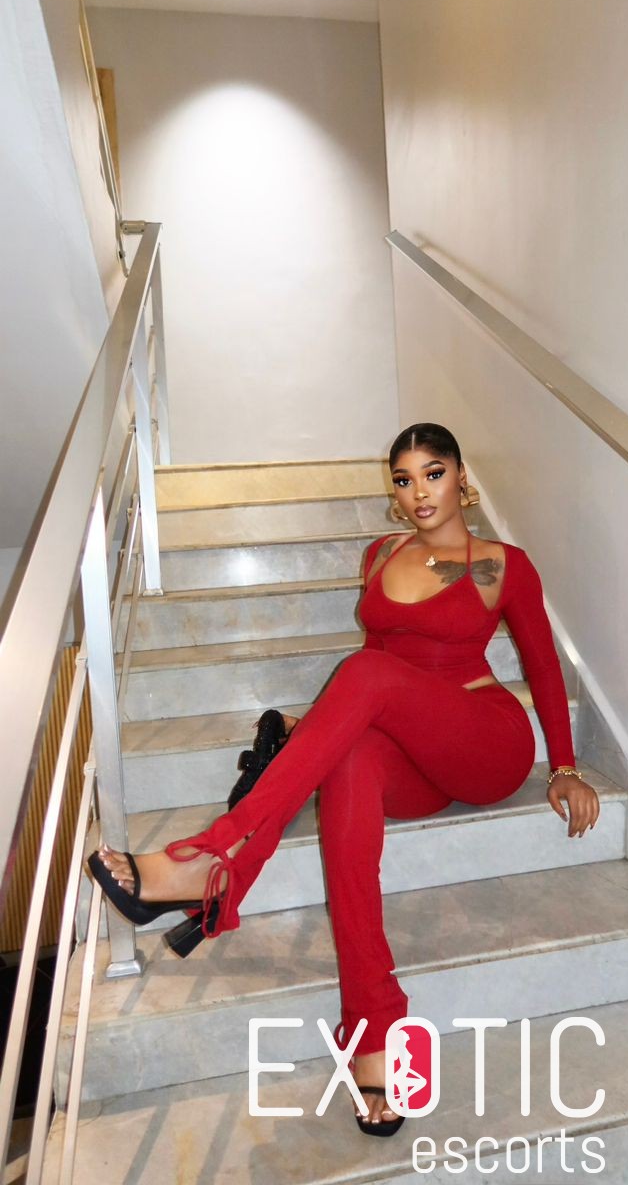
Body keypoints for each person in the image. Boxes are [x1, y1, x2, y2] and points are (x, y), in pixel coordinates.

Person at [89, 421, 600, 1131]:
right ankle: (373, 1028)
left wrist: (564, 765)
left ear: (461, 477)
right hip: (410, 750)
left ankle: (218, 856)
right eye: (404, 479)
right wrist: (322, 731)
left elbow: (541, 663)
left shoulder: (495, 564)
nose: (419, 491)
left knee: (364, 675)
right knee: (351, 758)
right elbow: (378, 668)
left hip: (484, 739)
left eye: (433, 473)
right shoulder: (381, 554)